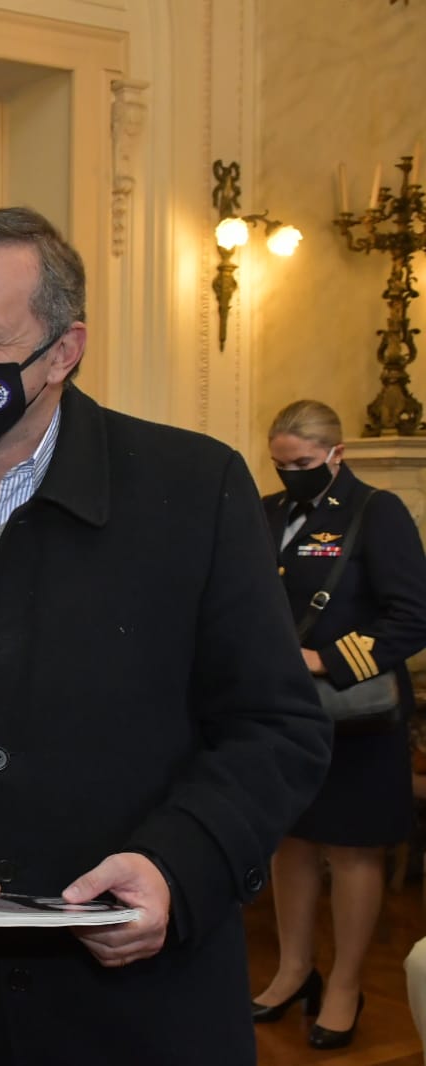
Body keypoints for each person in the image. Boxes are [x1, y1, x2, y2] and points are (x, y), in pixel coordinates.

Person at [0, 206, 333, 1065]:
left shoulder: (192, 490)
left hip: (147, 1011)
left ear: (61, 354)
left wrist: (175, 869)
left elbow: (276, 728)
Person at [252, 399, 426, 1049]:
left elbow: (411, 616)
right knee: (288, 842)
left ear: (335, 453)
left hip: (357, 718)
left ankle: (347, 984)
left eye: (299, 462)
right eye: (278, 463)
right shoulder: (267, 513)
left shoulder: (375, 512)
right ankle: (294, 970)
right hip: (284, 714)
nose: (288, 474)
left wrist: (326, 660)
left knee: (351, 851)